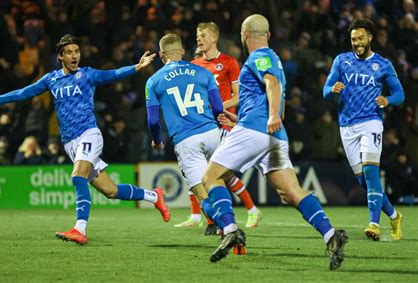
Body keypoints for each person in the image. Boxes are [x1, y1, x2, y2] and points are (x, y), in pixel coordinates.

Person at [0, 34, 169, 245]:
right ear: (60, 57)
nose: (75, 56)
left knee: (77, 177)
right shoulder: (51, 79)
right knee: (111, 191)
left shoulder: (87, 74)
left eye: (77, 51)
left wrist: (136, 67)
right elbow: (25, 93)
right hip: (70, 144)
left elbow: (112, 74)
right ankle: (154, 196)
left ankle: (79, 229)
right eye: (69, 52)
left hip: (89, 134)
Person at [202, 14, 348, 270]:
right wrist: (241, 117)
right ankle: (330, 235)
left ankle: (230, 229)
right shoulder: (275, 59)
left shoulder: (260, 57)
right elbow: (269, 95)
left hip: (256, 130)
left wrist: (268, 116)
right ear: (268, 35)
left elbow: (272, 85)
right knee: (291, 192)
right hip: (272, 136)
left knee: (211, 177)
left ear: (244, 35)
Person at [174, 22, 261, 234]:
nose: (199, 38)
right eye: (197, 35)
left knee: (220, 174)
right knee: (193, 171)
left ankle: (249, 210)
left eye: (203, 35)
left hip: (223, 124)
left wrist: (218, 106)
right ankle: (201, 217)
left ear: (214, 38)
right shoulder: (193, 65)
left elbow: (238, 97)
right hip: (200, 125)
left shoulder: (229, 63)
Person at [323, 18, 405, 241]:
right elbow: (325, 91)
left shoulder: (383, 64)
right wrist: (333, 89)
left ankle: (373, 224)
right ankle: (395, 215)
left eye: (360, 38)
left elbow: (400, 94)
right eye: (353, 39)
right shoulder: (341, 61)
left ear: (370, 37)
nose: (356, 43)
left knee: (370, 172)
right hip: (346, 125)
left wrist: (388, 100)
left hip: (371, 122)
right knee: (364, 181)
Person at [145, 33, 226, 237]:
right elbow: (218, 107)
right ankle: (224, 221)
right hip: (212, 133)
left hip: (186, 140)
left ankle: (224, 225)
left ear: (162, 55)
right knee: (217, 183)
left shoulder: (153, 81)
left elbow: (153, 120)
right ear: (182, 51)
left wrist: (157, 141)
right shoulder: (203, 72)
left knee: (200, 191)